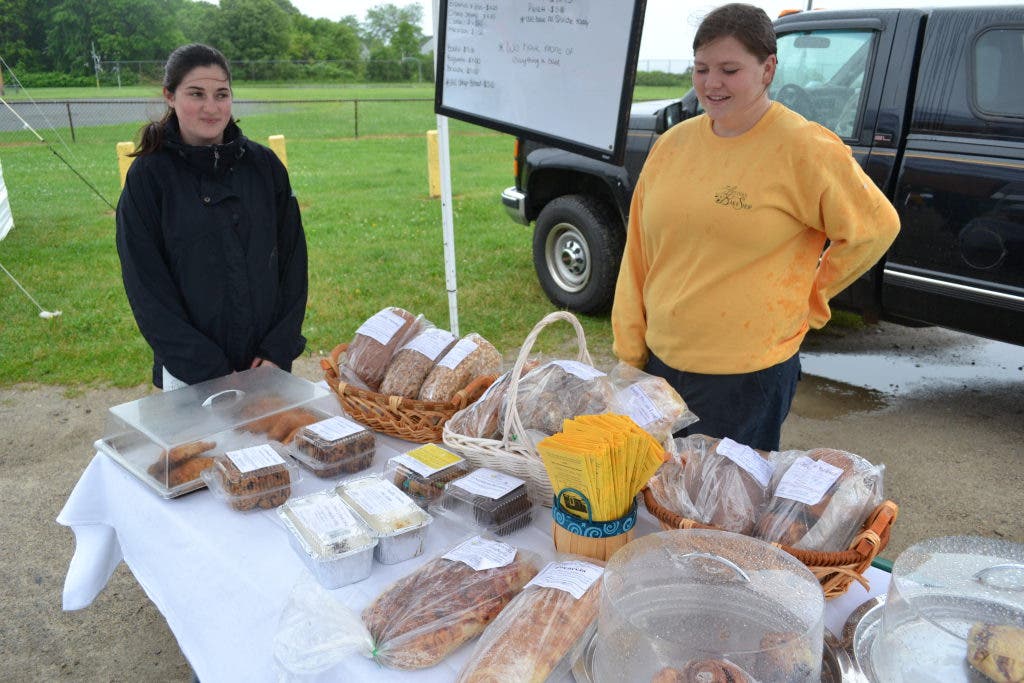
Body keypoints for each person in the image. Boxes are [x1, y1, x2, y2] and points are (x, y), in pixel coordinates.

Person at [611, 4, 900, 451]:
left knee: (725, 512)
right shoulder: (671, 145)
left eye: (729, 69)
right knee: (659, 500)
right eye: (702, 68)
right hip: (661, 364)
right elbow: (639, 253)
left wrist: (813, 298)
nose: (711, 83)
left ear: (768, 68)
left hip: (747, 377)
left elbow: (875, 227)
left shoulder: (803, 148)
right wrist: (631, 353)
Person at [116, 44, 308, 390]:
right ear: (170, 96)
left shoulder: (264, 167)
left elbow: (294, 264)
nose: (211, 107)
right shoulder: (149, 177)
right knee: (202, 448)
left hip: (266, 367)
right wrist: (208, 369)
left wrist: (278, 350)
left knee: (272, 445)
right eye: (196, 94)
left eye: (221, 94)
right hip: (193, 376)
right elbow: (146, 287)